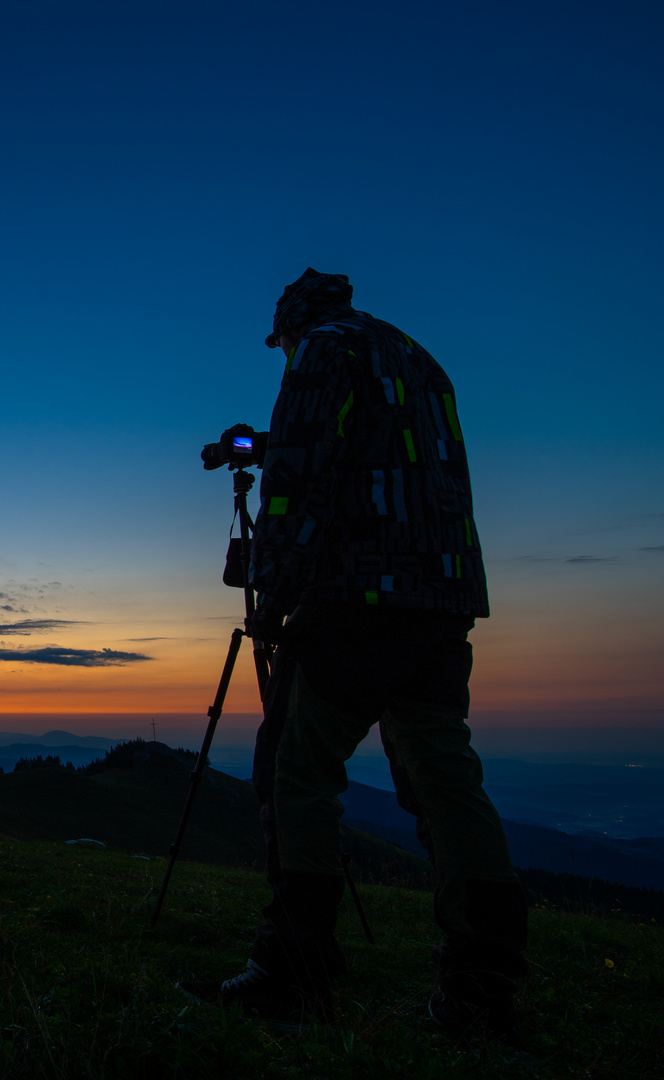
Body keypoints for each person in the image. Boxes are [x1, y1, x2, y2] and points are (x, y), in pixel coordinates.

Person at [182, 269, 527, 1041]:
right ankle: (484, 981)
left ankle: (292, 967)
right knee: (444, 777)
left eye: (279, 346)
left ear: (291, 329)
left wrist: (272, 595)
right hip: (441, 597)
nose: (282, 357)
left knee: (295, 770)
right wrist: (272, 444)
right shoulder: (415, 357)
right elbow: (378, 454)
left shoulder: (321, 354)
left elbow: (300, 484)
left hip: (358, 597)